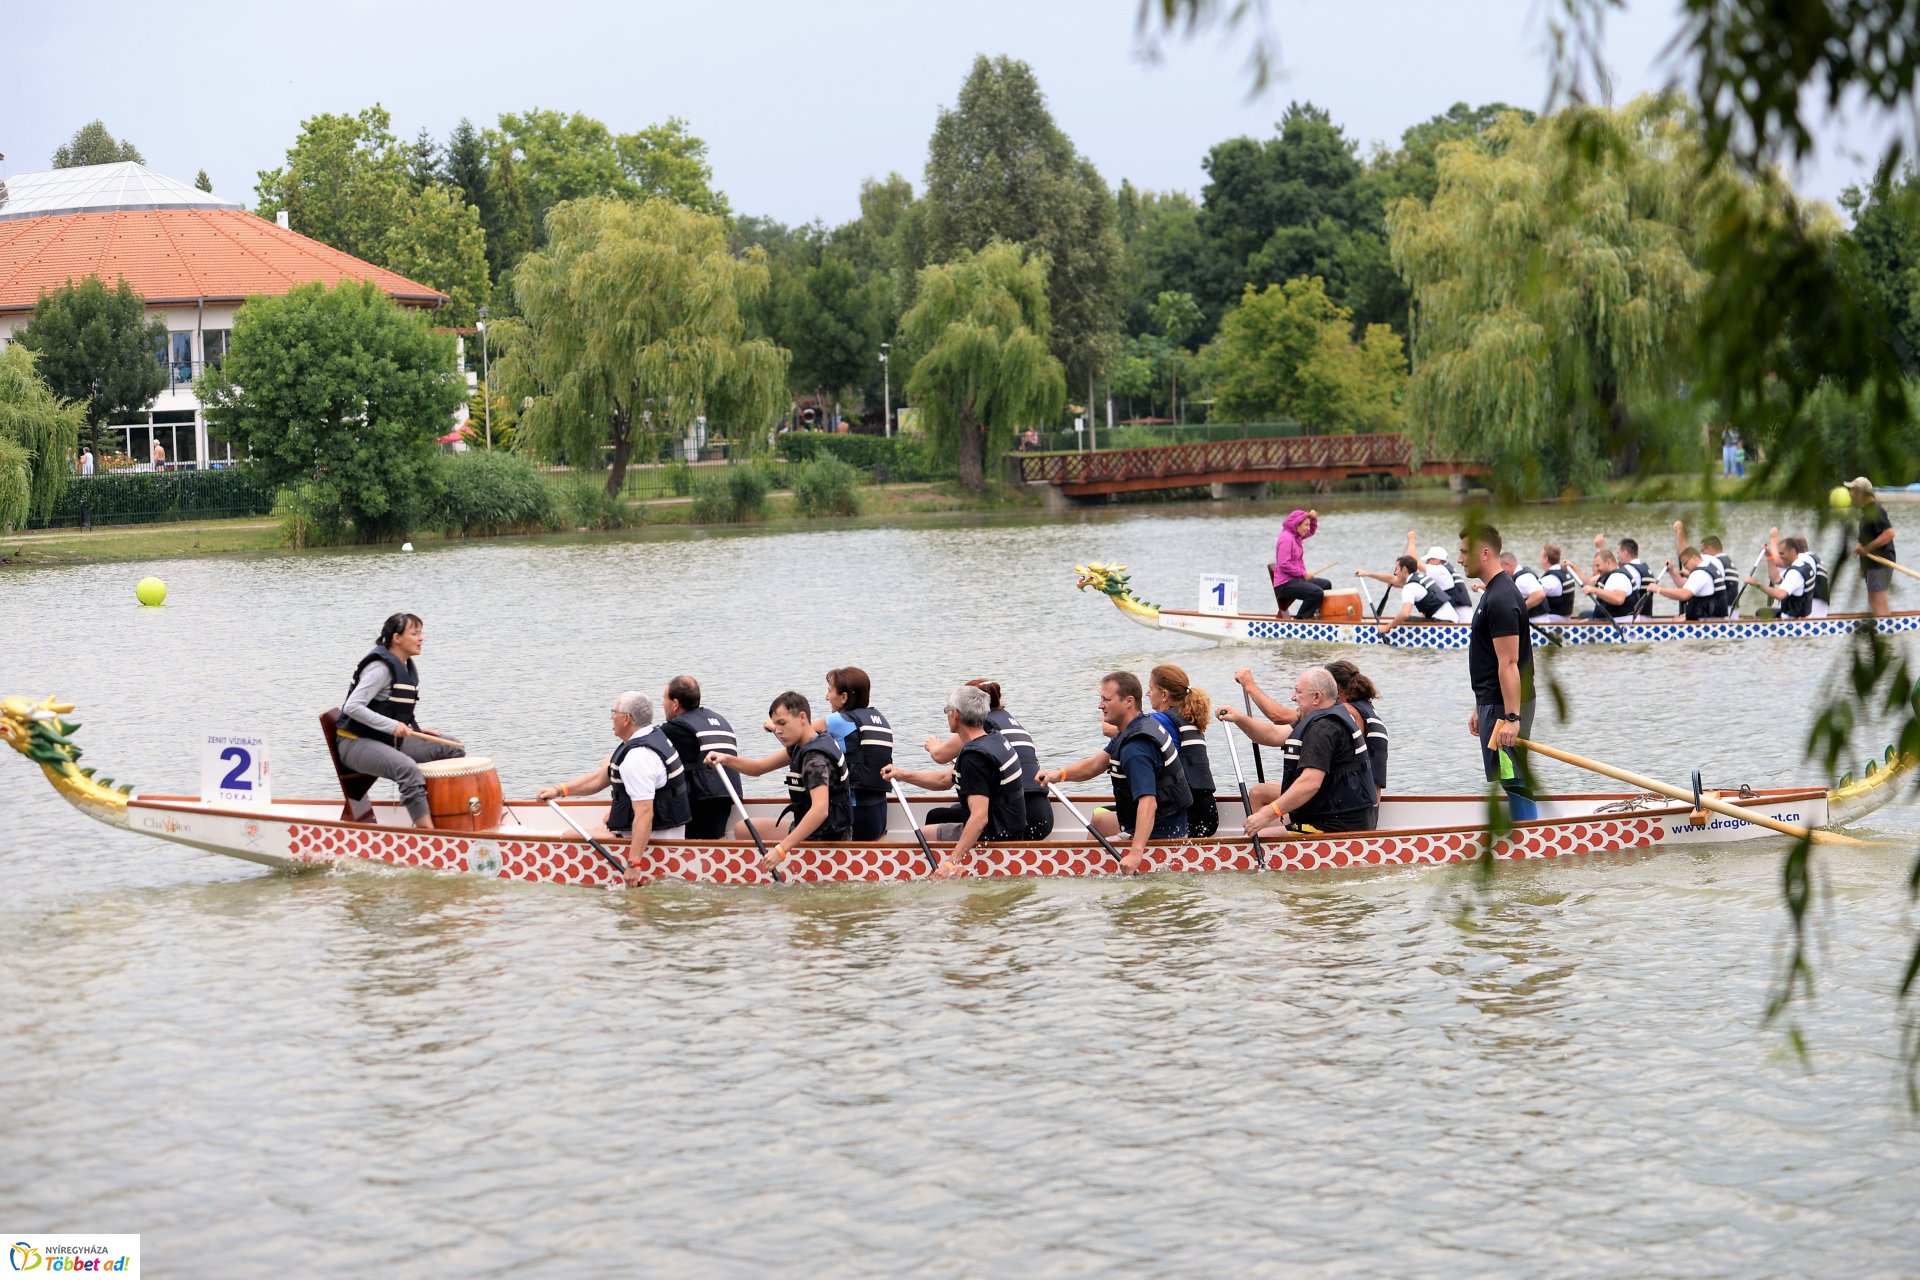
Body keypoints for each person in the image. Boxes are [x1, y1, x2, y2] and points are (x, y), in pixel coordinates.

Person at [1037, 670, 1191, 873]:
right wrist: (1060, 774)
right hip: (1160, 830)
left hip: (1162, 839)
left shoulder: (1136, 748)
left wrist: (1136, 854)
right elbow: (1095, 765)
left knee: (1084, 869)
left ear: (1128, 701)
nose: (1100, 705)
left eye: (1106, 699)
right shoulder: (1135, 727)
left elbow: (1148, 803)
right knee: (1098, 824)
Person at [536, 691, 690, 886]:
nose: (611, 717)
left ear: (627, 718)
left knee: (569, 836)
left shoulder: (638, 757)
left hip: (658, 842)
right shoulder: (652, 736)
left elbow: (644, 813)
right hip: (662, 832)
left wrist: (634, 863)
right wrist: (560, 790)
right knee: (604, 821)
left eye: (614, 712)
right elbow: (602, 778)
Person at [331, 612, 465, 829]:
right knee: (408, 769)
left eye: (421, 633)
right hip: (355, 743)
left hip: (385, 740)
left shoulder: (405, 666)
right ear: (397, 638)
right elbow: (352, 707)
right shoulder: (380, 668)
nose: (421, 638)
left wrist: (416, 729)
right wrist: (392, 726)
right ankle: (429, 835)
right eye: (415, 633)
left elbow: (395, 707)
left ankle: (443, 815)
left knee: (452, 748)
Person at [885, 685, 1025, 878]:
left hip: (995, 835)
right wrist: (902, 774)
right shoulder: (993, 739)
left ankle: (927, 878)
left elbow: (979, 817)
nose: (947, 715)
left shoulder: (975, 756)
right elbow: (944, 780)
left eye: (947, 711)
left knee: (924, 834)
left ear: (957, 714)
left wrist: (952, 862)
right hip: (1010, 828)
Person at [705, 690, 852, 871]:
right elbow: (758, 768)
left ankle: (762, 869)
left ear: (802, 717)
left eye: (782, 723)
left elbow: (820, 810)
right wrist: (725, 759)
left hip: (825, 839)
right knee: (742, 829)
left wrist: (781, 850)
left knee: (747, 832)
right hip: (816, 831)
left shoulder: (815, 759)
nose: (779, 730)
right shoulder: (807, 742)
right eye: (775, 724)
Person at [1234, 667, 1379, 836]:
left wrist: (1266, 815)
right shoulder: (1322, 716)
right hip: (1335, 815)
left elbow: (1310, 783)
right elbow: (1273, 734)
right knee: (1260, 803)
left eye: (1298, 692)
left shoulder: (1324, 728)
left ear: (1317, 697)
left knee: (1253, 839)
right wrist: (1238, 718)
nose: (1293, 697)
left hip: (1336, 825)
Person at [1463, 524, 1537, 820]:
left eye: (1464, 552)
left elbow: (1509, 663)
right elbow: (1491, 661)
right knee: (1507, 775)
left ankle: (1530, 840)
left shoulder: (1501, 598)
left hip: (1508, 706)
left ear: (1484, 553)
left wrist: (1512, 718)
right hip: (1494, 701)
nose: (1460, 559)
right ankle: (1526, 835)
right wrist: (1480, 706)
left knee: (1513, 774)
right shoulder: (1493, 592)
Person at [924, 679, 1053, 839]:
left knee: (936, 816)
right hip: (1041, 812)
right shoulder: (1010, 721)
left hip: (1017, 817)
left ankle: (947, 862)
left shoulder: (983, 728)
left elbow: (941, 759)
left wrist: (933, 745)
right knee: (959, 807)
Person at [658, 675, 743, 840]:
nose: (662, 704)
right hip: (727, 796)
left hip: (701, 800)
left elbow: (648, 748)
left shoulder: (675, 729)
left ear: (675, 704)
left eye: (663, 699)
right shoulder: (720, 720)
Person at [814, 666, 893, 840]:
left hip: (854, 818)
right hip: (879, 817)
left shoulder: (838, 721)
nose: (826, 697)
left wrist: (775, 726)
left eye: (829, 691)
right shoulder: (879, 720)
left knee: (793, 826)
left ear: (843, 697)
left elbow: (800, 733)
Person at [1146, 663, 1218, 837]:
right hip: (1206, 813)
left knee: (1102, 817)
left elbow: (1117, 728)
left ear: (1164, 694)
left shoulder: (1161, 721)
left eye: (1150, 688)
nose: (1147, 693)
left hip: (1187, 817)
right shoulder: (1189, 718)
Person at [1359, 554, 1458, 634]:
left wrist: (1387, 627)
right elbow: (1391, 579)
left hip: (1443, 624)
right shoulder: (1421, 578)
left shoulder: (1409, 587)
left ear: (1404, 569)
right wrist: (1367, 574)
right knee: (1412, 617)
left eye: (1396, 569)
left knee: (1403, 619)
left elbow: (1404, 614)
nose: (1395, 573)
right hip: (1453, 621)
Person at [1749, 529, 1829, 618]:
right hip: (1817, 610)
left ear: (1793, 550)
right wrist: (1769, 555)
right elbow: (1776, 579)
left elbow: (1777, 561)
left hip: (1810, 614)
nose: (1781, 556)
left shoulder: (1803, 560)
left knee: (1761, 614)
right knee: (1762, 612)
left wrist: (1773, 539)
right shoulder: (1811, 560)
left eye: (1783, 552)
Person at [1849, 477, 1897, 617]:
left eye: (1853, 491)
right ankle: (1882, 628)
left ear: (1862, 493)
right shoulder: (1866, 512)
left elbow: (1889, 533)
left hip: (1881, 562)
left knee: (1878, 600)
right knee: (1873, 600)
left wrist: (1867, 548)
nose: (1850, 494)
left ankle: (1885, 630)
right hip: (1872, 564)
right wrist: (1863, 567)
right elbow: (1866, 539)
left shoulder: (1875, 510)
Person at [1271, 508, 1331, 618]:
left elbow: (1312, 531)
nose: (1308, 528)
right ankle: (1301, 620)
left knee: (1326, 584)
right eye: (1306, 525)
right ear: (1297, 524)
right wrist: (1303, 574)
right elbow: (1283, 564)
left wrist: (1313, 519)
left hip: (1295, 580)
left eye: (1309, 525)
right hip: (1285, 584)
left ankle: (1317, 616)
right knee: (1316, 593)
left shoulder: (1296, 535)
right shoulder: (1287, 538)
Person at [1648, 547, 1730, 620]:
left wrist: (1658, 589)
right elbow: (1686, 587)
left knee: (1675, 622)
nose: (1685, 567)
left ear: (1694, 558)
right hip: (1714, 620)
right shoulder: (1709, 567)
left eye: (1685, 563)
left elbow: (1683, 595)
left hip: (1707, 625)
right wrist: (1672, 571)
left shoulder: (1700, 573)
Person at [1406, 533, 1473, 612]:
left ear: (1436, 560)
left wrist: (1411, 539)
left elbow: (1413, 561)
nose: (1427, 563)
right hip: (1458, 618)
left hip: (1460, 621)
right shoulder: (1445, 569)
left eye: (1428, 560)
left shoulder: (1440, 570)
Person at [1567, 548, 1636, 620]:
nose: (1596, 569)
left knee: (1577, 626)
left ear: (1608, 563)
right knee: (1582, 618)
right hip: (1609, 620)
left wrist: (1594, 590)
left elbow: (1618, 599)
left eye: (1598, 565)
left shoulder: (1618, 577)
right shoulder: (1608, 575)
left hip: (1619, 623)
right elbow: (1588, 583)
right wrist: (1574, 569)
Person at [1533, 545, 1574, 622]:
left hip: (1554, 620)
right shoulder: (1565, 573)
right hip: (1565, 617)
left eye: (1540, 556)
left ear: (1545, 559)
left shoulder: (1550, 579)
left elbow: (1533, 593)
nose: (1539, 559)